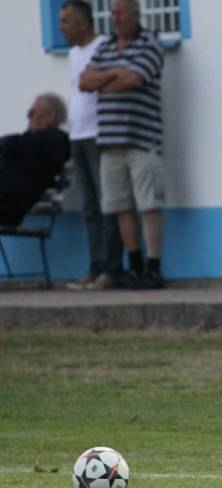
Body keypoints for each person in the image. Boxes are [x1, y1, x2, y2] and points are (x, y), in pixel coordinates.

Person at [79, 0, 166, 289]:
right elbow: (84, 81)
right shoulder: (104, 47)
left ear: (134, 15)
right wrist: (114, 75)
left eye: (119, 13)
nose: (114, 18)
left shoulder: (149, 43)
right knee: (120, 206)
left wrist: (105, 80)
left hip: (142, 139)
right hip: (110, 142)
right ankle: (135, 265)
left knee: (148, 205)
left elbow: (134, 79)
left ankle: (153, 268)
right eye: (112, 13)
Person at [59, 0, 124, 291]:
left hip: (100, 134)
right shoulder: (74, 54)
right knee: (88, 206)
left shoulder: (102, 47)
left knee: (107, 203)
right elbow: (82, 84)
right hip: (78, 135)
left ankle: (112, 267)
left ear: (83, 23)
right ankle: (94, 266)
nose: (61, 28)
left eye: (65, 22)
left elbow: (100, 81)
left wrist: (96, 79)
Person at [0, 94, 70, 226]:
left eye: (32, 112)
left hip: (8, 207)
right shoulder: (32, 143)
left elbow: (11, 144)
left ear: (51, 117)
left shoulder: (52, 142)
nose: (28, 116)